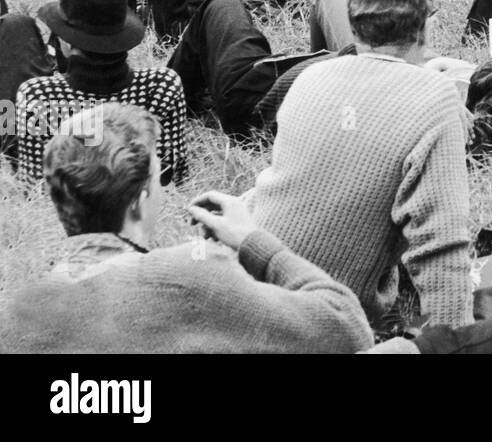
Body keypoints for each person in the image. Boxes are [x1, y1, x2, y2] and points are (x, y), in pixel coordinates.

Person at [0, 103, 372, 354]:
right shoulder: (191, 275)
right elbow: (345, 326)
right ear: (140, 195)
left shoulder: (14, 319)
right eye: (157, 175)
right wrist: (252, 242)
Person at [246, 0, 472, 326]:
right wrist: (455, 341)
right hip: (327, 315)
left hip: (251, 276)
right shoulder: (436, 96)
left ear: (353, 25)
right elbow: (441, 245)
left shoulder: (311, 78)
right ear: (426, 24)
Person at [13, 0, 187, 183]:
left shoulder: (37, 95)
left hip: (71, 207)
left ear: (66, 43)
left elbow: (34, 186)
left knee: (15, 25)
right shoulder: (162, 86)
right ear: (122, 32)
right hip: (141, 205)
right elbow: (174, 176)